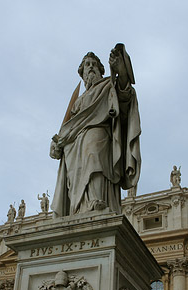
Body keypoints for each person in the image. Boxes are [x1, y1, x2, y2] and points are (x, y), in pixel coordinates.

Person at [50, 44, 141, 217]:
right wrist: (57, 143)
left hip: (99, 132)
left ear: (101, 69)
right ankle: (78, 207)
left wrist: (121, 71)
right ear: (82, 73)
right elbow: (69, 127)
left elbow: (124, 93)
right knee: (76, 171)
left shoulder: (108, 85)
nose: (90, 67)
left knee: (93, 153)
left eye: (93, 64)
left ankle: (96, 200)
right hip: (74, 143)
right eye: (87, 64)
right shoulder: (78, 101)